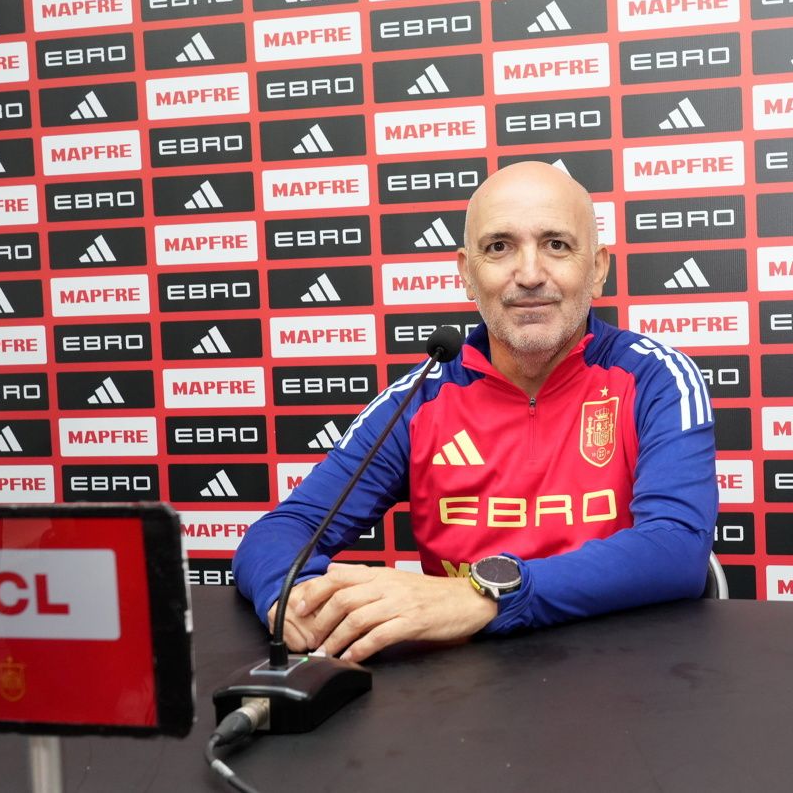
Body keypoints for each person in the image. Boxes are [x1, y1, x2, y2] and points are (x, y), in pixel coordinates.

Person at [232, 161, 718, 662]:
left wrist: (484, 595)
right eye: (499, 247)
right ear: (466, 273)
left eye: (556, 244)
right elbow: (283, 531)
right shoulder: (419, 399)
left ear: (596, 269)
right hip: (462, 687)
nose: (529, 275)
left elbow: (678, 548)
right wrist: (292, 598)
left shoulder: (656, 378)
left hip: (625, 672)